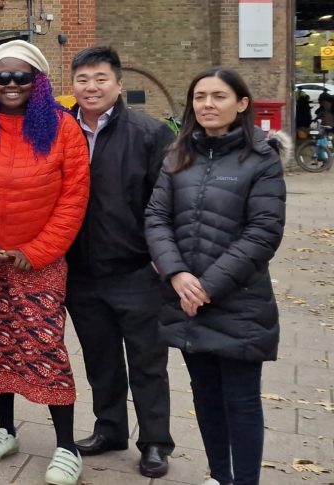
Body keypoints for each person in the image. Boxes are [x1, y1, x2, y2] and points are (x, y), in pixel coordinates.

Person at [0, 40, 90, 485]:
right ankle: (5, 429)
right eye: (1, 77)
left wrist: (38, 251)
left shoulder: (64, 130)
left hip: (38, 265)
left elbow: (73, 199)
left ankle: (66, 445)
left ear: (38, 81)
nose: (11, 84)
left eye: (21, 76)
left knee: (44, 349)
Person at [145, 67, 286, 485]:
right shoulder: (178, 153)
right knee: (205, 398)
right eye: (200, 96)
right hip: (185, 299)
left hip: (238, 303)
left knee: (240, 402)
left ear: (241, 104)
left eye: (219, 96)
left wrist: (206, 285)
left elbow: (263, 233)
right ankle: (219, 476)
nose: (207, 104)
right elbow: (156, 217)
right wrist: (176, 274)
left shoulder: (261, 159)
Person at [64, 46, 177, 478]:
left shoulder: (149, 134)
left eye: (100, 79)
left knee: (148, 362)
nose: (91, 87)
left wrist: (159, 260)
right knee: (101, 359)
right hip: (82, 272)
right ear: (71, 84)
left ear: (117, 84)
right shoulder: (60, 130)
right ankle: (109, 429)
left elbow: (167, 203)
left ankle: (154, 443)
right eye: (83, 80)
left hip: (136, 271)